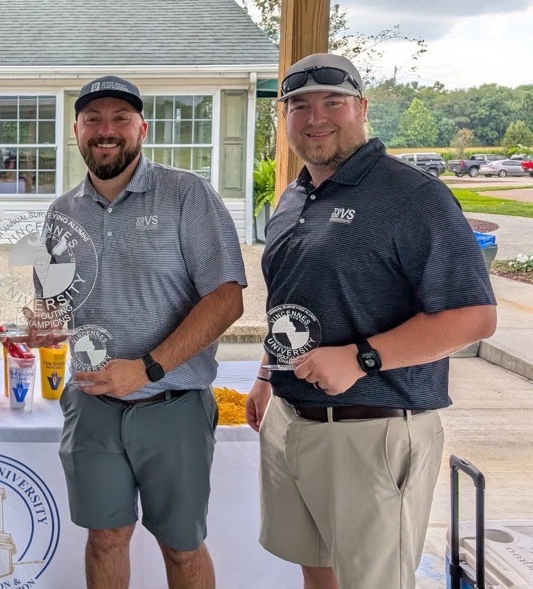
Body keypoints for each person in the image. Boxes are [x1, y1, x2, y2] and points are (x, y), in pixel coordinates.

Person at [245, 53, 497, 589]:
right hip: (293, 420)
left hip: (374, 430)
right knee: (317, 573)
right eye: (300, 106)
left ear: (362, 107)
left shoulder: (413, 196)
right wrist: (268, 376)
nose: (316, 118)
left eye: (332, 103)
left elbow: (475, 317)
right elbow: (293, 298)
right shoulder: (296, 195)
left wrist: (363, 357)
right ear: (283, 118)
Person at [51, 75, 246, 589]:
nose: (105, 130)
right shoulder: (61, 213)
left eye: (119, 119)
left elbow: (226, 299)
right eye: (93, 119)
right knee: (106, 538)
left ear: (143, 127)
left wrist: (147, 369)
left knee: (181, 549)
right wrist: (44, 324)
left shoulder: (187, 194)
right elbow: (56, 303)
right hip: (92, 406)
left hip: (172, 404)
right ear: (76, 130)